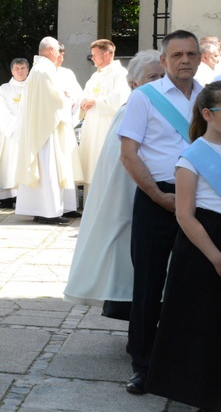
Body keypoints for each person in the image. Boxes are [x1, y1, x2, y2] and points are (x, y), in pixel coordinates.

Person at [117, 29, 202, 395]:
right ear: (164, 60)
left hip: (201, 202)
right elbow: (129, 153)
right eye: (178, 55)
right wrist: (155, 194)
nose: (185, 60)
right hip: (157, 199)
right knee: (149, 284)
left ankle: (189, 363)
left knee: (196, 285)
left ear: (200, 58)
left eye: (192, 54)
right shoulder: (145, 98)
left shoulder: (210, 97)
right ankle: (143, 364)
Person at [64, 51, 164, 320]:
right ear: (134, 84)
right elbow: (122, 162)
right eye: (152, 77)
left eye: (163, 76)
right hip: (132, 201)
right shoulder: (132, 110)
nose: (160, 82)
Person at [145, 81, 221, 410]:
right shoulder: (190, 158)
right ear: (208, 114)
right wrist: (217, 258)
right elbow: (185, 215)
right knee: (204, 323)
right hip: (204, 247)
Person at [15, 36, 81, 225]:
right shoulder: (45, 71)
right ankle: (48, 212)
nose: (59, 55)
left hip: (41, 128)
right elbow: (55, 101)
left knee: (46, 170)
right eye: (57, 51)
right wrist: (67, 99)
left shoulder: (39, 69)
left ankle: (42, 209)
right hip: (47, 131)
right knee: (49, 169)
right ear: (52, 50)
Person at [78, 39, 130, 189]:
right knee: (92, 166)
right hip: (92, 128)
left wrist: (96, 102)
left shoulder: (120, 74)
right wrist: (83, 102)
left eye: (95, 54)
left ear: (107, 54)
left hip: (107, 127)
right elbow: (84, 94)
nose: (92, 57)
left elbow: (120, 99)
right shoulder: (95, 76)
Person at [0, 58, 29, 208]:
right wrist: (16, 124)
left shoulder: (34, 87)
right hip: (9, 134)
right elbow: (0, 110)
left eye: (22, 68)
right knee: (8, 164)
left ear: (28, 70)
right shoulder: (3, 89)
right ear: (12, 71)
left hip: (28, 133)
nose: (19, 71)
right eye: (17, 69)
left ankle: (26, 196)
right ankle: (6, 198)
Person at [54, 43, 83, 128]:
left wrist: (71, 99)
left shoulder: (67, 73)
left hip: (66, 118)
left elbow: (78, 95)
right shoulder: (41, 74)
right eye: (58, 56)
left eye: (62, 55)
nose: (61, 59)